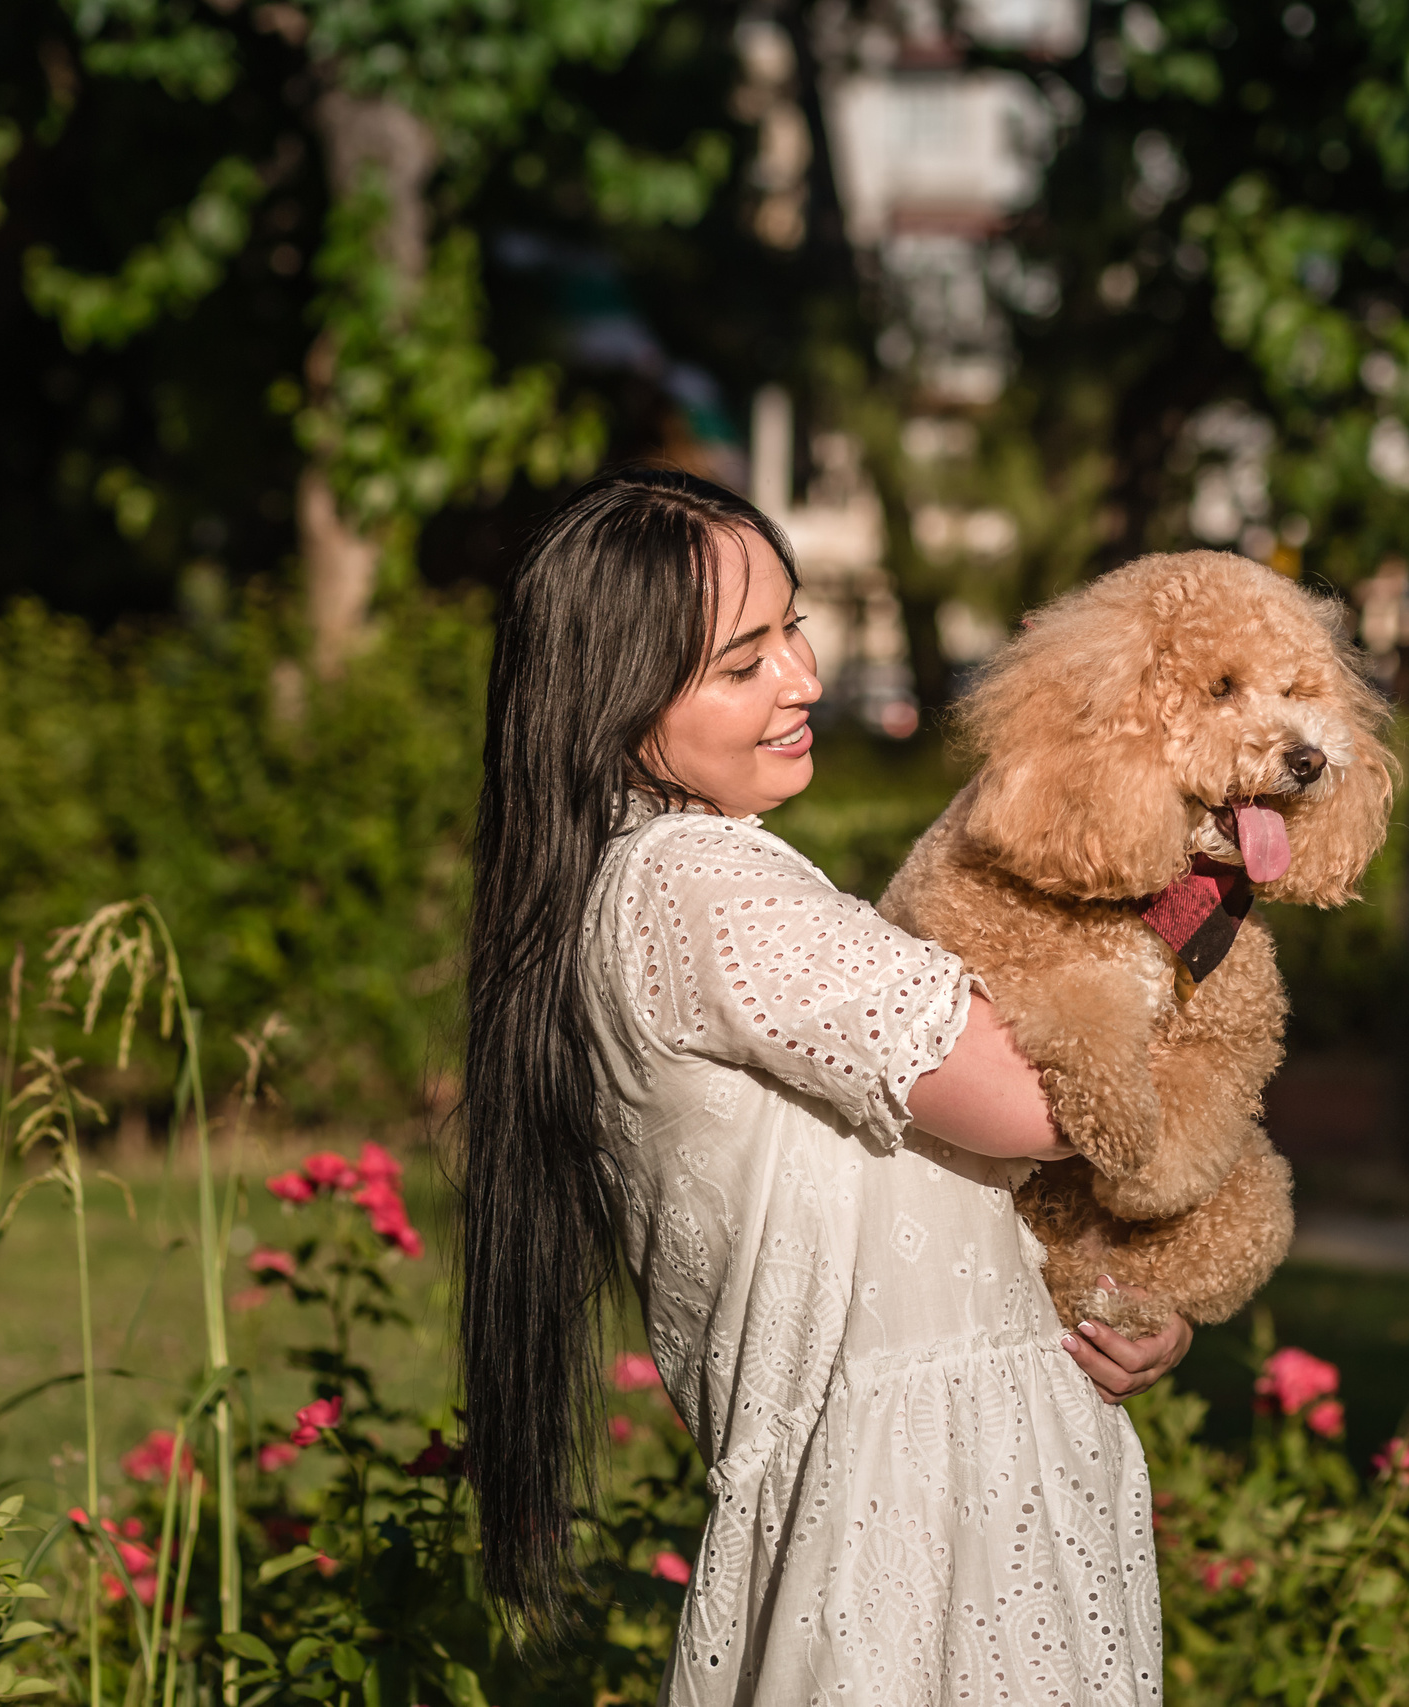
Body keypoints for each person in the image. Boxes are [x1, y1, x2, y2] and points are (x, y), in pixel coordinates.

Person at [457, 465, 1188, 1703]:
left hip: (940, 1494)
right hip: (916, 1532)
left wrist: (1123, 1292)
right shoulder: (698, 884)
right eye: (740, 666)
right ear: (612, 706)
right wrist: (1189, 904)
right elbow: (1047, 1101)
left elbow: (933, 1189)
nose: (800, 677)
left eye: (789, 626)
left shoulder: (642, 882)